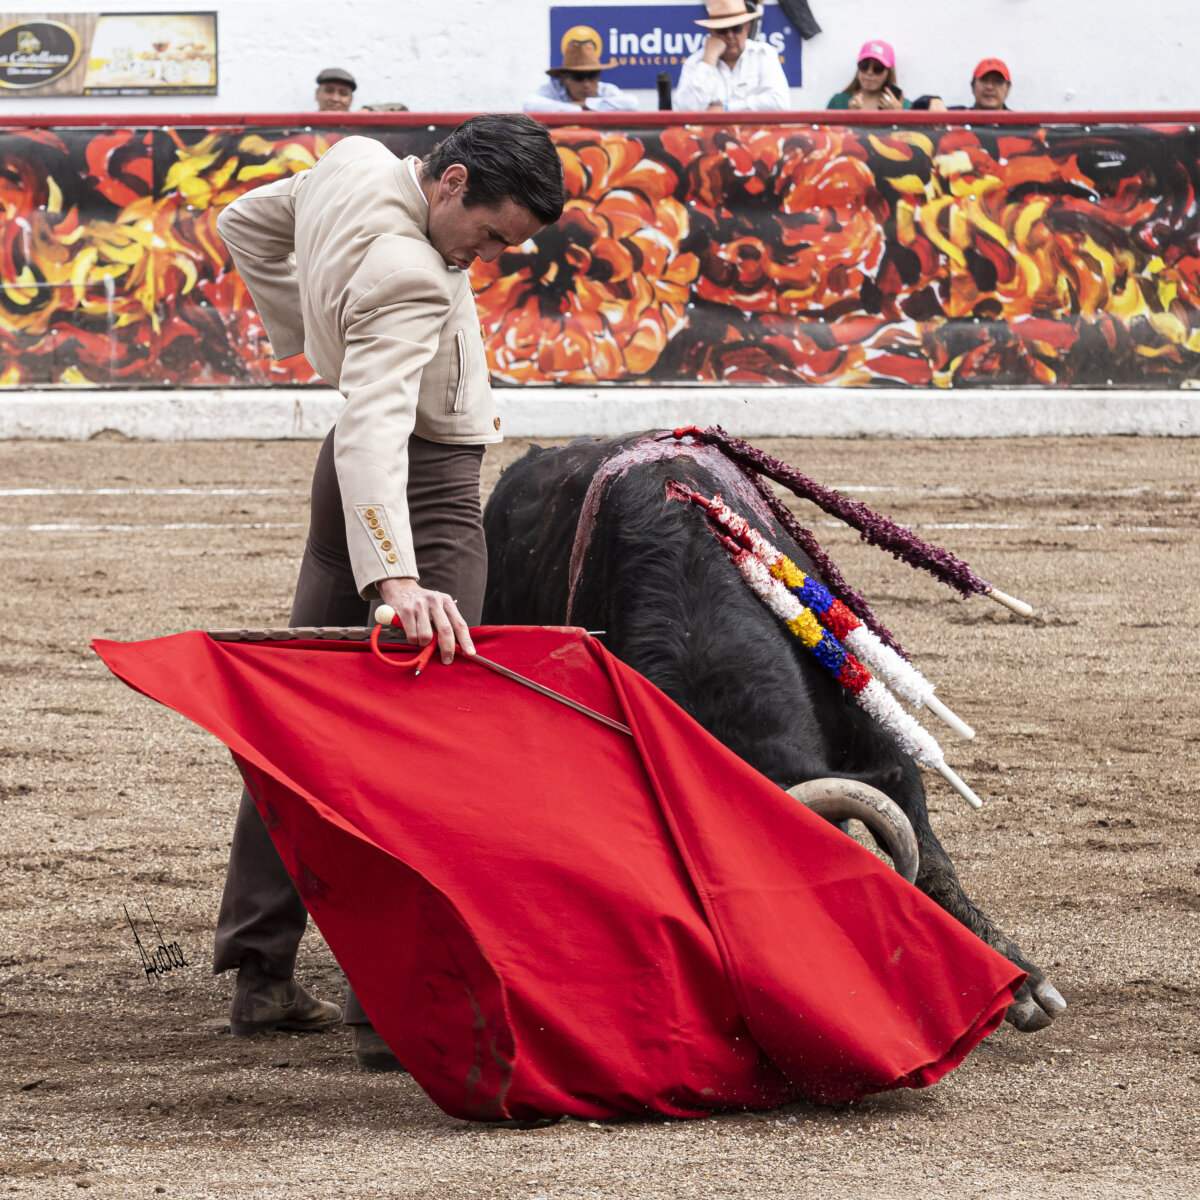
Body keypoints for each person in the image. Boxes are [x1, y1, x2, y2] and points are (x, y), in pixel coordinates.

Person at [212, 116, 565, 1070]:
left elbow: (244, 220)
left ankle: (262, 969)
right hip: (422, 493)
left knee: (297, 719)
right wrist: (399, 576)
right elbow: (376, 425)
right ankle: (394, 1009)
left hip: (352, 483)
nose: (485, 261)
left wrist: (304, 333)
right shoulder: (412, 274)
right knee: (426, 738)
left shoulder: (353, 160)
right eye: (488, 237)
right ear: (450, 184)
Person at [674, 0, 789, 113]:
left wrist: (726, 109)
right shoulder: (695, 62)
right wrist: (709, 60)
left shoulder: (764, 54)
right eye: (722, 30)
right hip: (711, 132)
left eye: (736, 28)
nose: (730, 36)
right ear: (711, 31)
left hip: (758, 131)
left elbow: (779, 103)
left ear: (747, 28)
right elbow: (684, 110)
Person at [524, 25, 639, 113]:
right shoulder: (553, 90)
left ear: (599, 76)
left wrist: (586, 104)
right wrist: (577, 108)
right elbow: (529, 104)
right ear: (564, 78)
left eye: (592, 76)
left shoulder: (606, 90)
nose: (586, 84)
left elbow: (632, 103)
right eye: (578, 77)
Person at [826, 40, 911, 110]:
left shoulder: (904, 106)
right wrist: (849, 116)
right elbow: (826, 130)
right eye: (864, 66)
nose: (869, 72)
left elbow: (914, 130)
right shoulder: (839, 102)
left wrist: (898, 118)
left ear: (888, 72)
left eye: (878, 68)